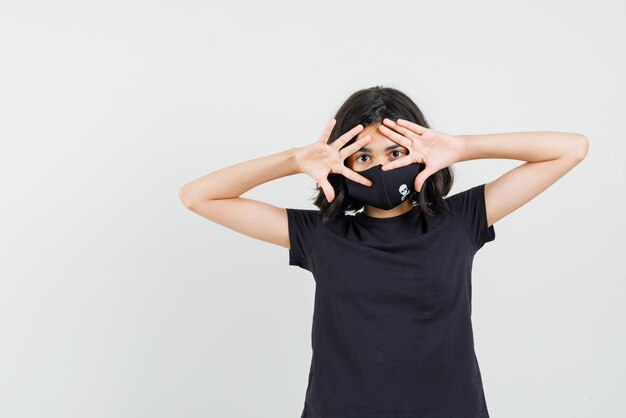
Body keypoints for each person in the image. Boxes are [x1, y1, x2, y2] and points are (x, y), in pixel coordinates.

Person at [179, 86, 589, 418]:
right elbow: (198, 197)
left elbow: (571, 148)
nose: (382, 167)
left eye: (395, 152)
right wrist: (294, 160)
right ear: (343, 164)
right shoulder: (321, 234)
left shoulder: (459, 220)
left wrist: (463, 146)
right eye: (363, 156)